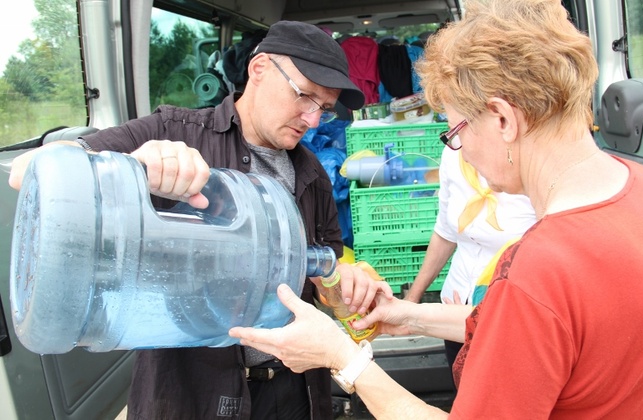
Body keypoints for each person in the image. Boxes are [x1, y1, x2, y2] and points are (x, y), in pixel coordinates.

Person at [228, 0, 643, 418]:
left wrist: (342, 357)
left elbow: (531, 311)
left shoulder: (539, 271)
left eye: (456, 129)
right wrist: (409, 314)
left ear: (503, 120)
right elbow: (527, 330)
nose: (457, 149)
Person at [9, 20, 393, 420]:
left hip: (293, 390)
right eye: (304, 96)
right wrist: (132, 165)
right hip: (193, 395)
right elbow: (23, 172)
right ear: (259, 69)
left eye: (324, 110)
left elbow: (322, 275)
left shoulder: (311, 172)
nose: (312, 120)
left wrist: (343, 286)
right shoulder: (174, 131)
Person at [404, 145, 537, 388]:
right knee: (465, 392)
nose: (452, 136)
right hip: (456, 305)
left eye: (458, 124)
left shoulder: (530, 159)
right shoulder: (452, 153)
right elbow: (444, 233)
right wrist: (411, 300)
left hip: (507, 315)